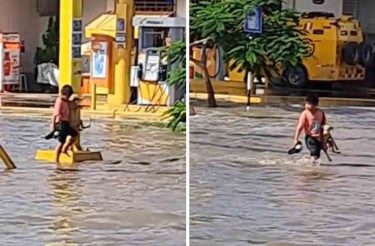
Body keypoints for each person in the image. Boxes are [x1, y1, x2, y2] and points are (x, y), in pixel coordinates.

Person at [293, 94, 327, 161]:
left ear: (315, 104)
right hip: (310, 137)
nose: (306, 105)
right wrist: (296, 139)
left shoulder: (321, 113)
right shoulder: (304, 114)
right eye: (306, 104)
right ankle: (312, 167)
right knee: (314, 153)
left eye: (309, 104)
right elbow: (300, 127)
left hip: (319, 137)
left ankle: (310, 165)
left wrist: (324, 141)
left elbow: (323, 125)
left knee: (317, 154)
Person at [51, 85, 78, 164]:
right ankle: (56, 160)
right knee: (61, 142)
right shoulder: (59, 101)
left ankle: (65, 148)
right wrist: (53, 126)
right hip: (60, 123)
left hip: (66, 123)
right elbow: (55, 114)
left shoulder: (66, 101)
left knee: (75, 134)